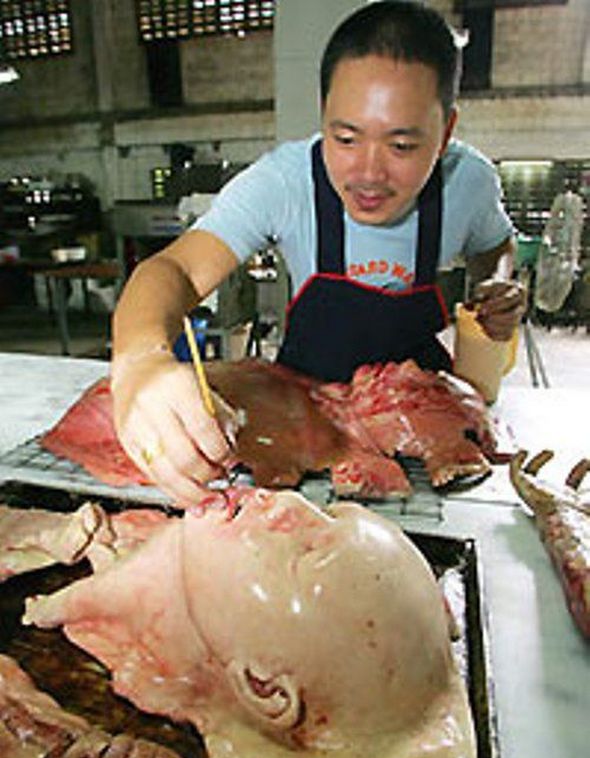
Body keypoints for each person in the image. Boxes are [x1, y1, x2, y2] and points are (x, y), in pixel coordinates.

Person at [111, 0, 526, 507]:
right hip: (301, 413)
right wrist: (138, 362)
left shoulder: (469, 182)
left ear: (445, 134)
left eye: (401, 146)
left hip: (417, 416)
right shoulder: (285, 182)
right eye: (345, 137)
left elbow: (493, 246)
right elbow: (173, 268)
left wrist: (499, 283)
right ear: (324, 116)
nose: (368, 174)